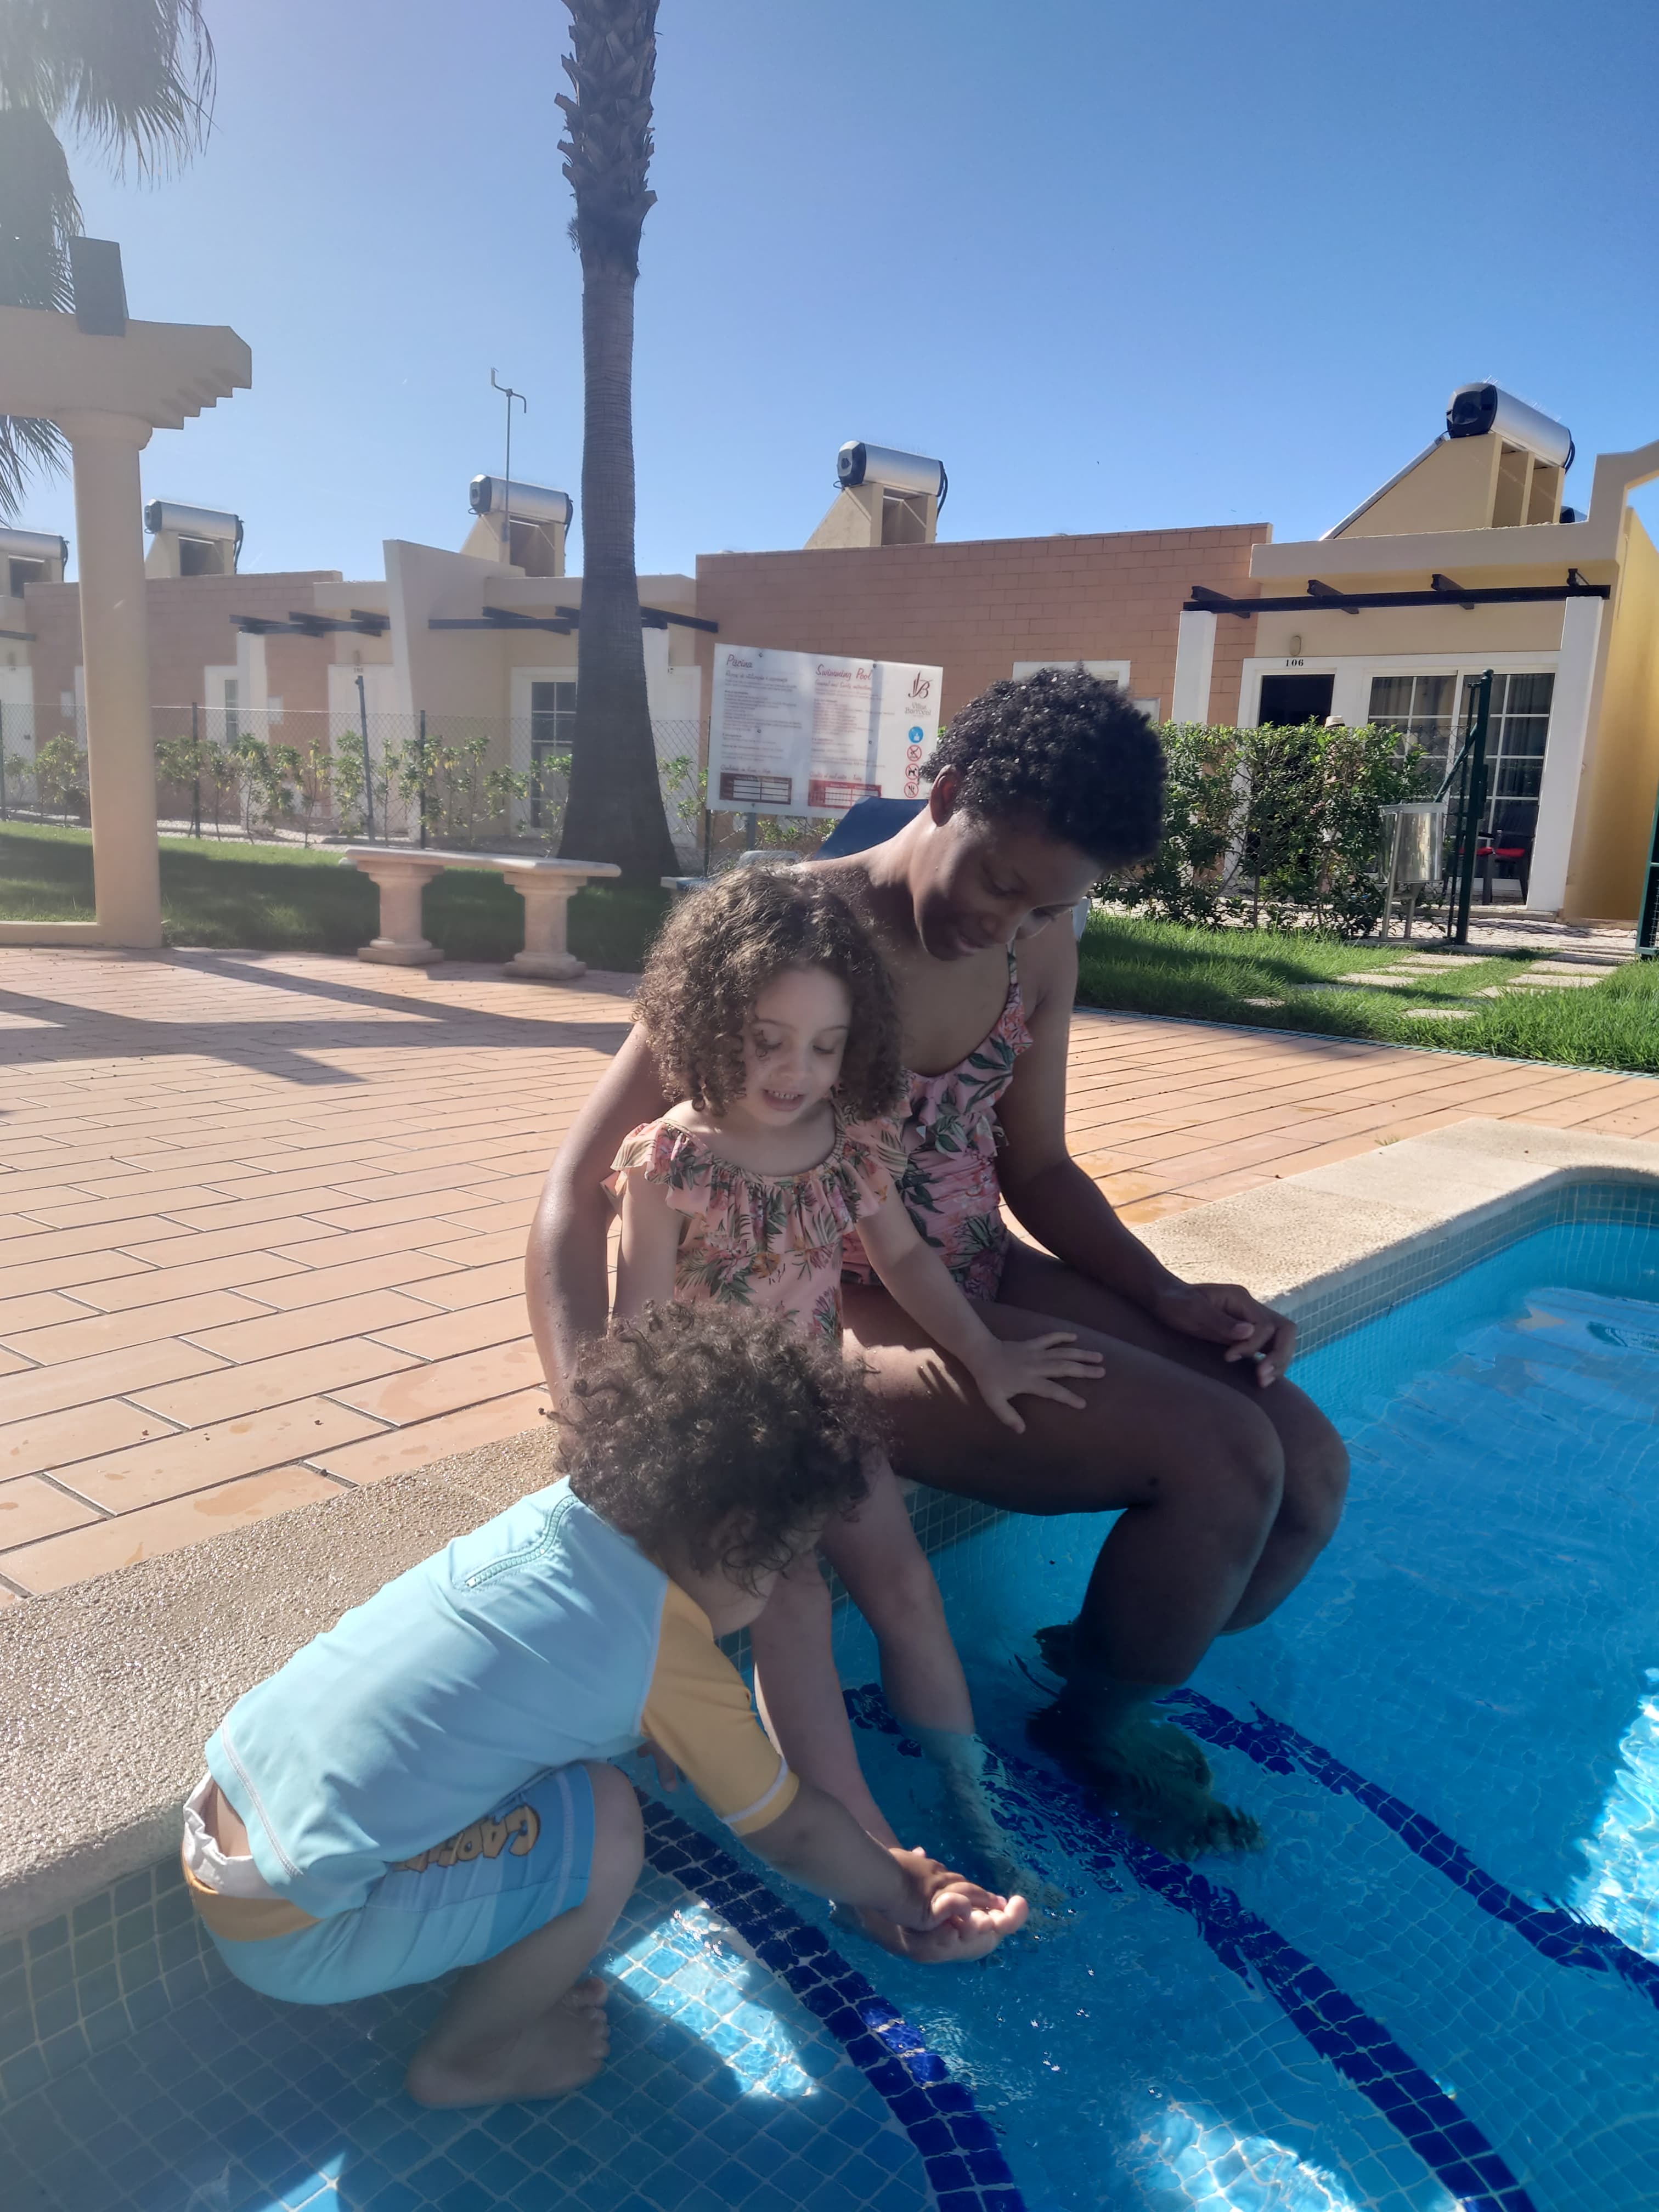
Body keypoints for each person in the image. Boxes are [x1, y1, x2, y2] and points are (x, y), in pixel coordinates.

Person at [529, 668, 1351, 1859]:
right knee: (1227, 1460)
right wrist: (601, 1426)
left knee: (1311, 1472)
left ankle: (1095, 1671)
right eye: (1001, 882)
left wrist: (1163, 1295)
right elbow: (575, 1192)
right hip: (830, 1304)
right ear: (948, 787)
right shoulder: (779, 937)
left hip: (967, 1265)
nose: (1005, 925)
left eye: (1043, 908)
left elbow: (1041, 1170)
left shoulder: (1041, 945)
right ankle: (1099, 1727)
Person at [181, 1307, 1026, 2109]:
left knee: (566, 1787)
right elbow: (793, 1831)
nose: (780, 1586)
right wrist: (907, 1887)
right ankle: (471, 2058)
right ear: (736, 1540)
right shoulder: (662, 1653)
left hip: (227, 1819)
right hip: (299, 1935)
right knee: (606, 1822)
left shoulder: (552, 1523)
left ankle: (463, 1947)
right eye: (787, 1559)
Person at [608, 865, 1098, 1881]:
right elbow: (641, 1328)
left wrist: (984, 1350)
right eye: (769, 1042)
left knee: (907, 1585)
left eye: (828, 1047)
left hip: (821, 1407)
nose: (798, 1071)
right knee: (791, 1603)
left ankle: (975, 1795)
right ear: (706, 1020)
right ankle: (868, 1845)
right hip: (726, 1436)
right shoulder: (669, 1166)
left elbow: (911, 1262)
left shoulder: (846, 1147)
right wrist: (646, 1504)